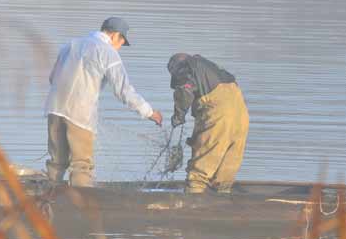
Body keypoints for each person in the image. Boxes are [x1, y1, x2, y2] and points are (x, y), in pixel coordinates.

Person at [44, 17, 162, 186]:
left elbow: (52, 78)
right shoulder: (107, 52)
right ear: (115, 36)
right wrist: (149, 112)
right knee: (81, 165)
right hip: (80, 114)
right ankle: (80, 204)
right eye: (122, 42)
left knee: (56, 161)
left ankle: (48, 199)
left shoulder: (71, 45)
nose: (120, 47)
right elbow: (124, 91)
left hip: (54, 108)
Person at [167, 53, 249, 194]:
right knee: (224, 176)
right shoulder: (210, 68)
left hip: (219, 114)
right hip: (241, 115)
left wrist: (178, 116)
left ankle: (191, 207)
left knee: (198, 174)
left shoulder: (185, 66)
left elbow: (185, 89)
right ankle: (220, 206)